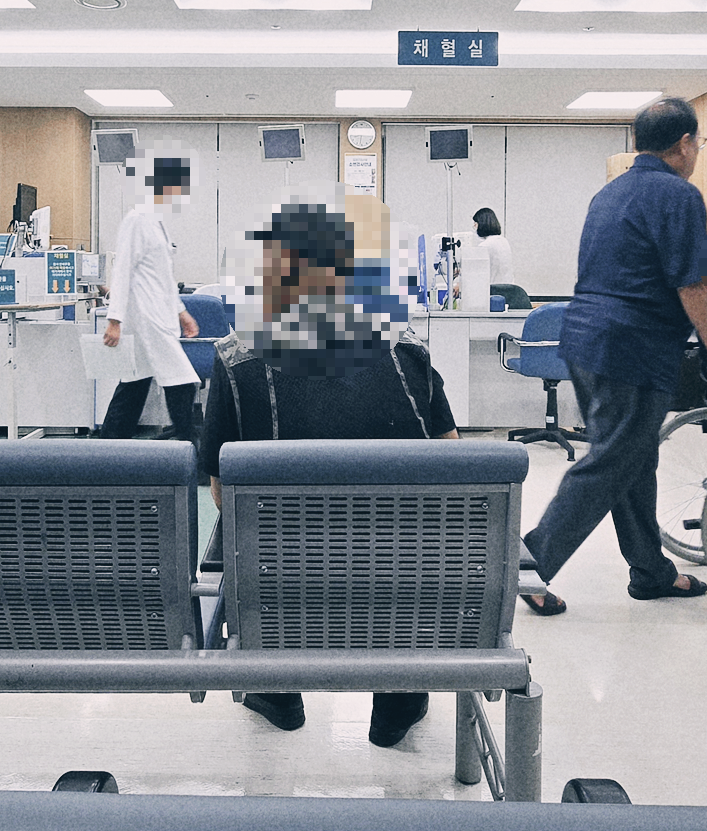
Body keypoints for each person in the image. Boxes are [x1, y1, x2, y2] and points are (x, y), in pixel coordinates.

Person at [198, 196, 458, 748]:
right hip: (394, 577)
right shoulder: (406, 349)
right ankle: (399, 699)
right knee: (400, 537)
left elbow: (221, 492)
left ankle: (276, 690)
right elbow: (452, 462)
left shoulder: (236, 359)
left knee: (255, 533)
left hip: (281, 576)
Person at [521, 97, 707, 614]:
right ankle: (526, 569)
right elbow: (691, 282)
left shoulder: (609, 193)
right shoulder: (680, 195)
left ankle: (651, 571)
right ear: (685, 144)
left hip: (584, 339)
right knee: (612, 461)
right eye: (698, 143)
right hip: (631, 347)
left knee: (634, 457)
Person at [99, 151, 200, 441]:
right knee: (183, 381)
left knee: (134, 384)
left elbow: (164, 279)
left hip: (157, 315)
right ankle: (190, 448)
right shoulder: (137, 220)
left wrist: (181, 312)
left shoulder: (157, 223)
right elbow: (122, 270)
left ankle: (108, 448)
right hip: (146, 318)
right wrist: (114, 320)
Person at [470, 207, 530, 309]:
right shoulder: (503, 241)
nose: (474, 228)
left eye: (475, 224)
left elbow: (474, 274)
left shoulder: (484, 246)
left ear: (482, 224)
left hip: (493, 295)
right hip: (510, 294)